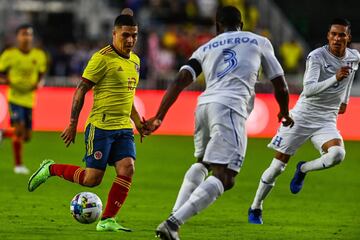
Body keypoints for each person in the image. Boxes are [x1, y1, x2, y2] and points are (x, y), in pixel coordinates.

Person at [145, 6, 293, 240]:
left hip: (203, 106)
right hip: (230, 107)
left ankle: (175, 215)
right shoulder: (259, 41)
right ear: (241, 24)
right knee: (226, 176)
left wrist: (159, 115)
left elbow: (180, 79)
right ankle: (173, 223)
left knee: (202, 163)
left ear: (217, 26)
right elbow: (280, 83)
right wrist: (284, 112)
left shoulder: (205, 48)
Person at [28, 9, 145, 232]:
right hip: (100, 127)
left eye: (134, 35)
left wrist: (138, 122)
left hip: (123, 128)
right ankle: (51, 169)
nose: (130, 40)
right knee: (92, 179)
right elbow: (81, 90)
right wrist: (73, 123)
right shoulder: (102, 59)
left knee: (127, 168)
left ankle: (107, 220)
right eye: (125, 35)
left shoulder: (136, 61)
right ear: (114, 34)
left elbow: (127, 97)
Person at [248, 18, 360, 225]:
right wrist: (335, 78)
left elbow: (350, 76)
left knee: (337, 154)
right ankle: (256, 207)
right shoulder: (316, 56)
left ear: (348, 37)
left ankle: (303, 169)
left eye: (341, 35)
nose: (337, 38)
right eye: (333, 34)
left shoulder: (354, 57)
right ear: (328, 36)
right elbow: (307, 90)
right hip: (302, 116)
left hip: (327, 118)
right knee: (277, 168)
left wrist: (344, 100)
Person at [0, 24, 47, 174]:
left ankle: (2, 133)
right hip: (15, 97)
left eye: (29, 34)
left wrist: (39, 83)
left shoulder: (39, 55)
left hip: (29, 98)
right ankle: (18, 165)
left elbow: (41, 74)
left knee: (26, 136)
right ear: (17, 37)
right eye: (23, 34)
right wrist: (6, 81)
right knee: (19, 130)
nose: (26, 37)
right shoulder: (9, 54)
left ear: (32, 37)